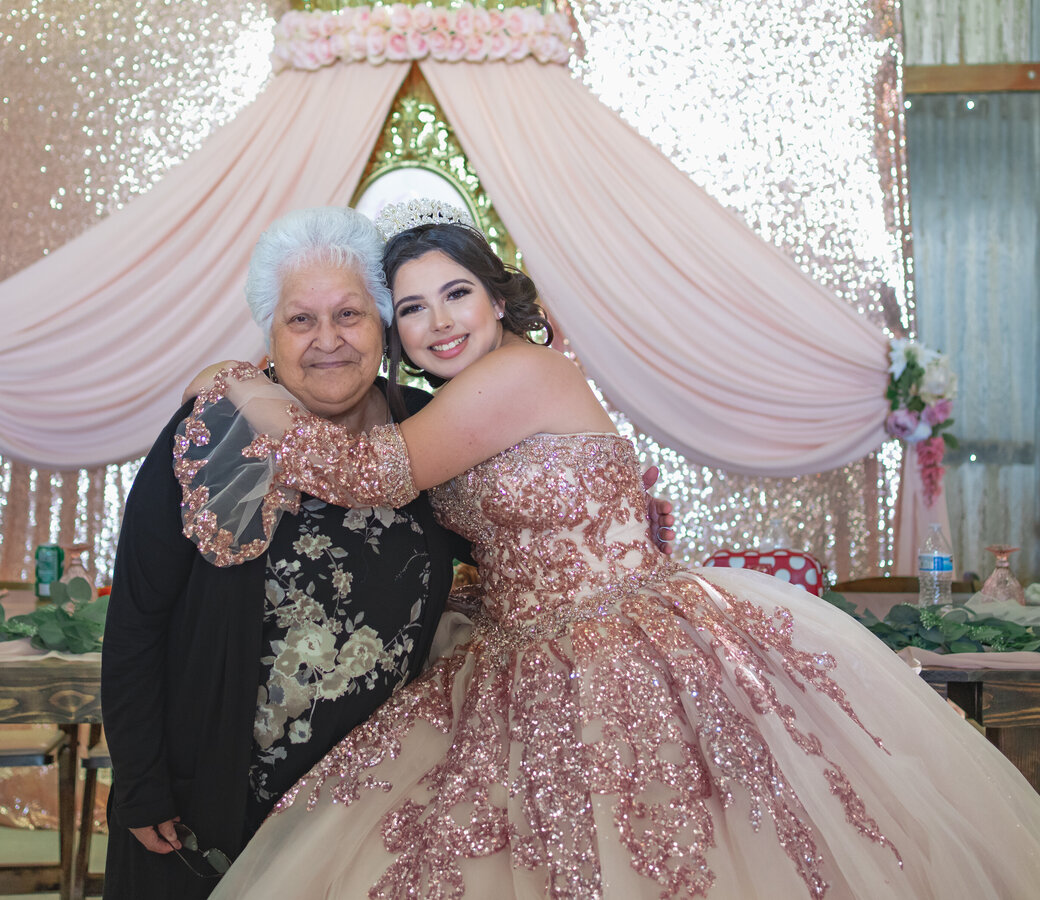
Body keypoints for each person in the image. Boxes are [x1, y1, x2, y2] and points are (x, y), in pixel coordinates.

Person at [184, 202, 1040, 899]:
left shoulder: (524, 372)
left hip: (624, 647)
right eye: (410, 308)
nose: (437, 322)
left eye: (455, 295)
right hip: (519, 651)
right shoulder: (457, 397)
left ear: (496, 299)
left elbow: (373, 475)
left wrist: (244, 391)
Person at [102, 204, 679, 898]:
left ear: (380, 330)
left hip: (385, 791)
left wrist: (237, 381)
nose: (327, 341)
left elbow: (462, 525)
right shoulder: (216, 433)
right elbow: (138, 617)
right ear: (271, 334)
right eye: (300, 320)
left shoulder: (424, 427)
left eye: (349, 315)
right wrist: (140, 779)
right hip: (219, 785)